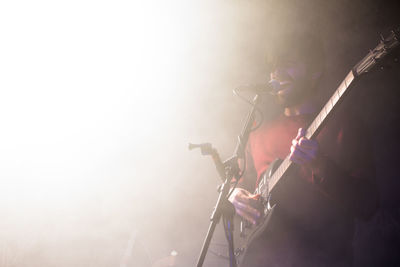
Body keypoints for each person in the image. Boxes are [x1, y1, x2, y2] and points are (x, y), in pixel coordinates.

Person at [228, 32, 378, 266]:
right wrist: (234, 195)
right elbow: (238, 183)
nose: (276, 73)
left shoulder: (345, 126)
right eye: (273, 67)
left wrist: (320, 164)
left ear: (314, 70)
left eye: (287, 63)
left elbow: (368, 205)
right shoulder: (257, 135)